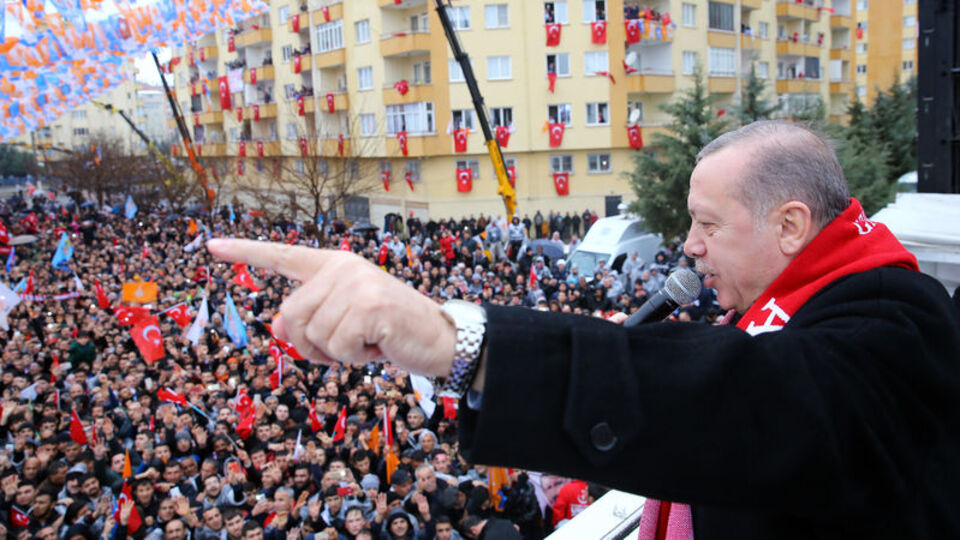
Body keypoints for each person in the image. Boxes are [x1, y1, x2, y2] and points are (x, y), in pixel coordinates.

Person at [209, 120, 960, 539]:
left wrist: (456, 338)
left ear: (791, 225)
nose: (689, 248)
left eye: (704, 225)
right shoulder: (794, 302)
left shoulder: (898, 318)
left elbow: (745, 400)